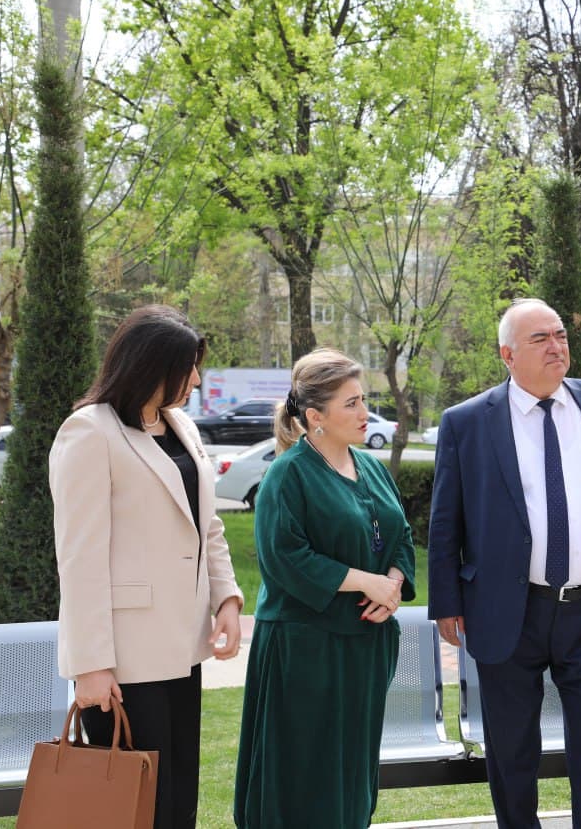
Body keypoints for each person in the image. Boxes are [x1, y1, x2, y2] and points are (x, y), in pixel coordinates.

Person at [428, 297, 581, 829]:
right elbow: (446, 520)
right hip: (506, 609)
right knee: (512, 753)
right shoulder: (468, 422)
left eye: (560, 335)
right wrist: (446, 602)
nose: (557, 347)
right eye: (541, 339)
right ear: (507, 354)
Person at [51, 305, 244, 829]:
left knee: (179, 799)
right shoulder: (88, 432)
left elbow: (207, 526)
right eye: (188, 367)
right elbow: (79, 556)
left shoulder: (179, 426)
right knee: (136, 809)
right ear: (150, 365)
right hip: (122, 659)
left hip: (182, 647)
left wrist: (226, 598)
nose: (197, 380)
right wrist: (90, 664)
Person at [235, 348, 415, 828]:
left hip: (364, 648)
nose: (365, 413)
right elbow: (285, 557)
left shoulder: (371, 466)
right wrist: (367, 582)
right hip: (306, 651)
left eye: (363, 400)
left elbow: (400, 536)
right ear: (315, 416)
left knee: (352, 773)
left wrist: (393, 585)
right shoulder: (287, 475)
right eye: (351, 403)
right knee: (304, 774)